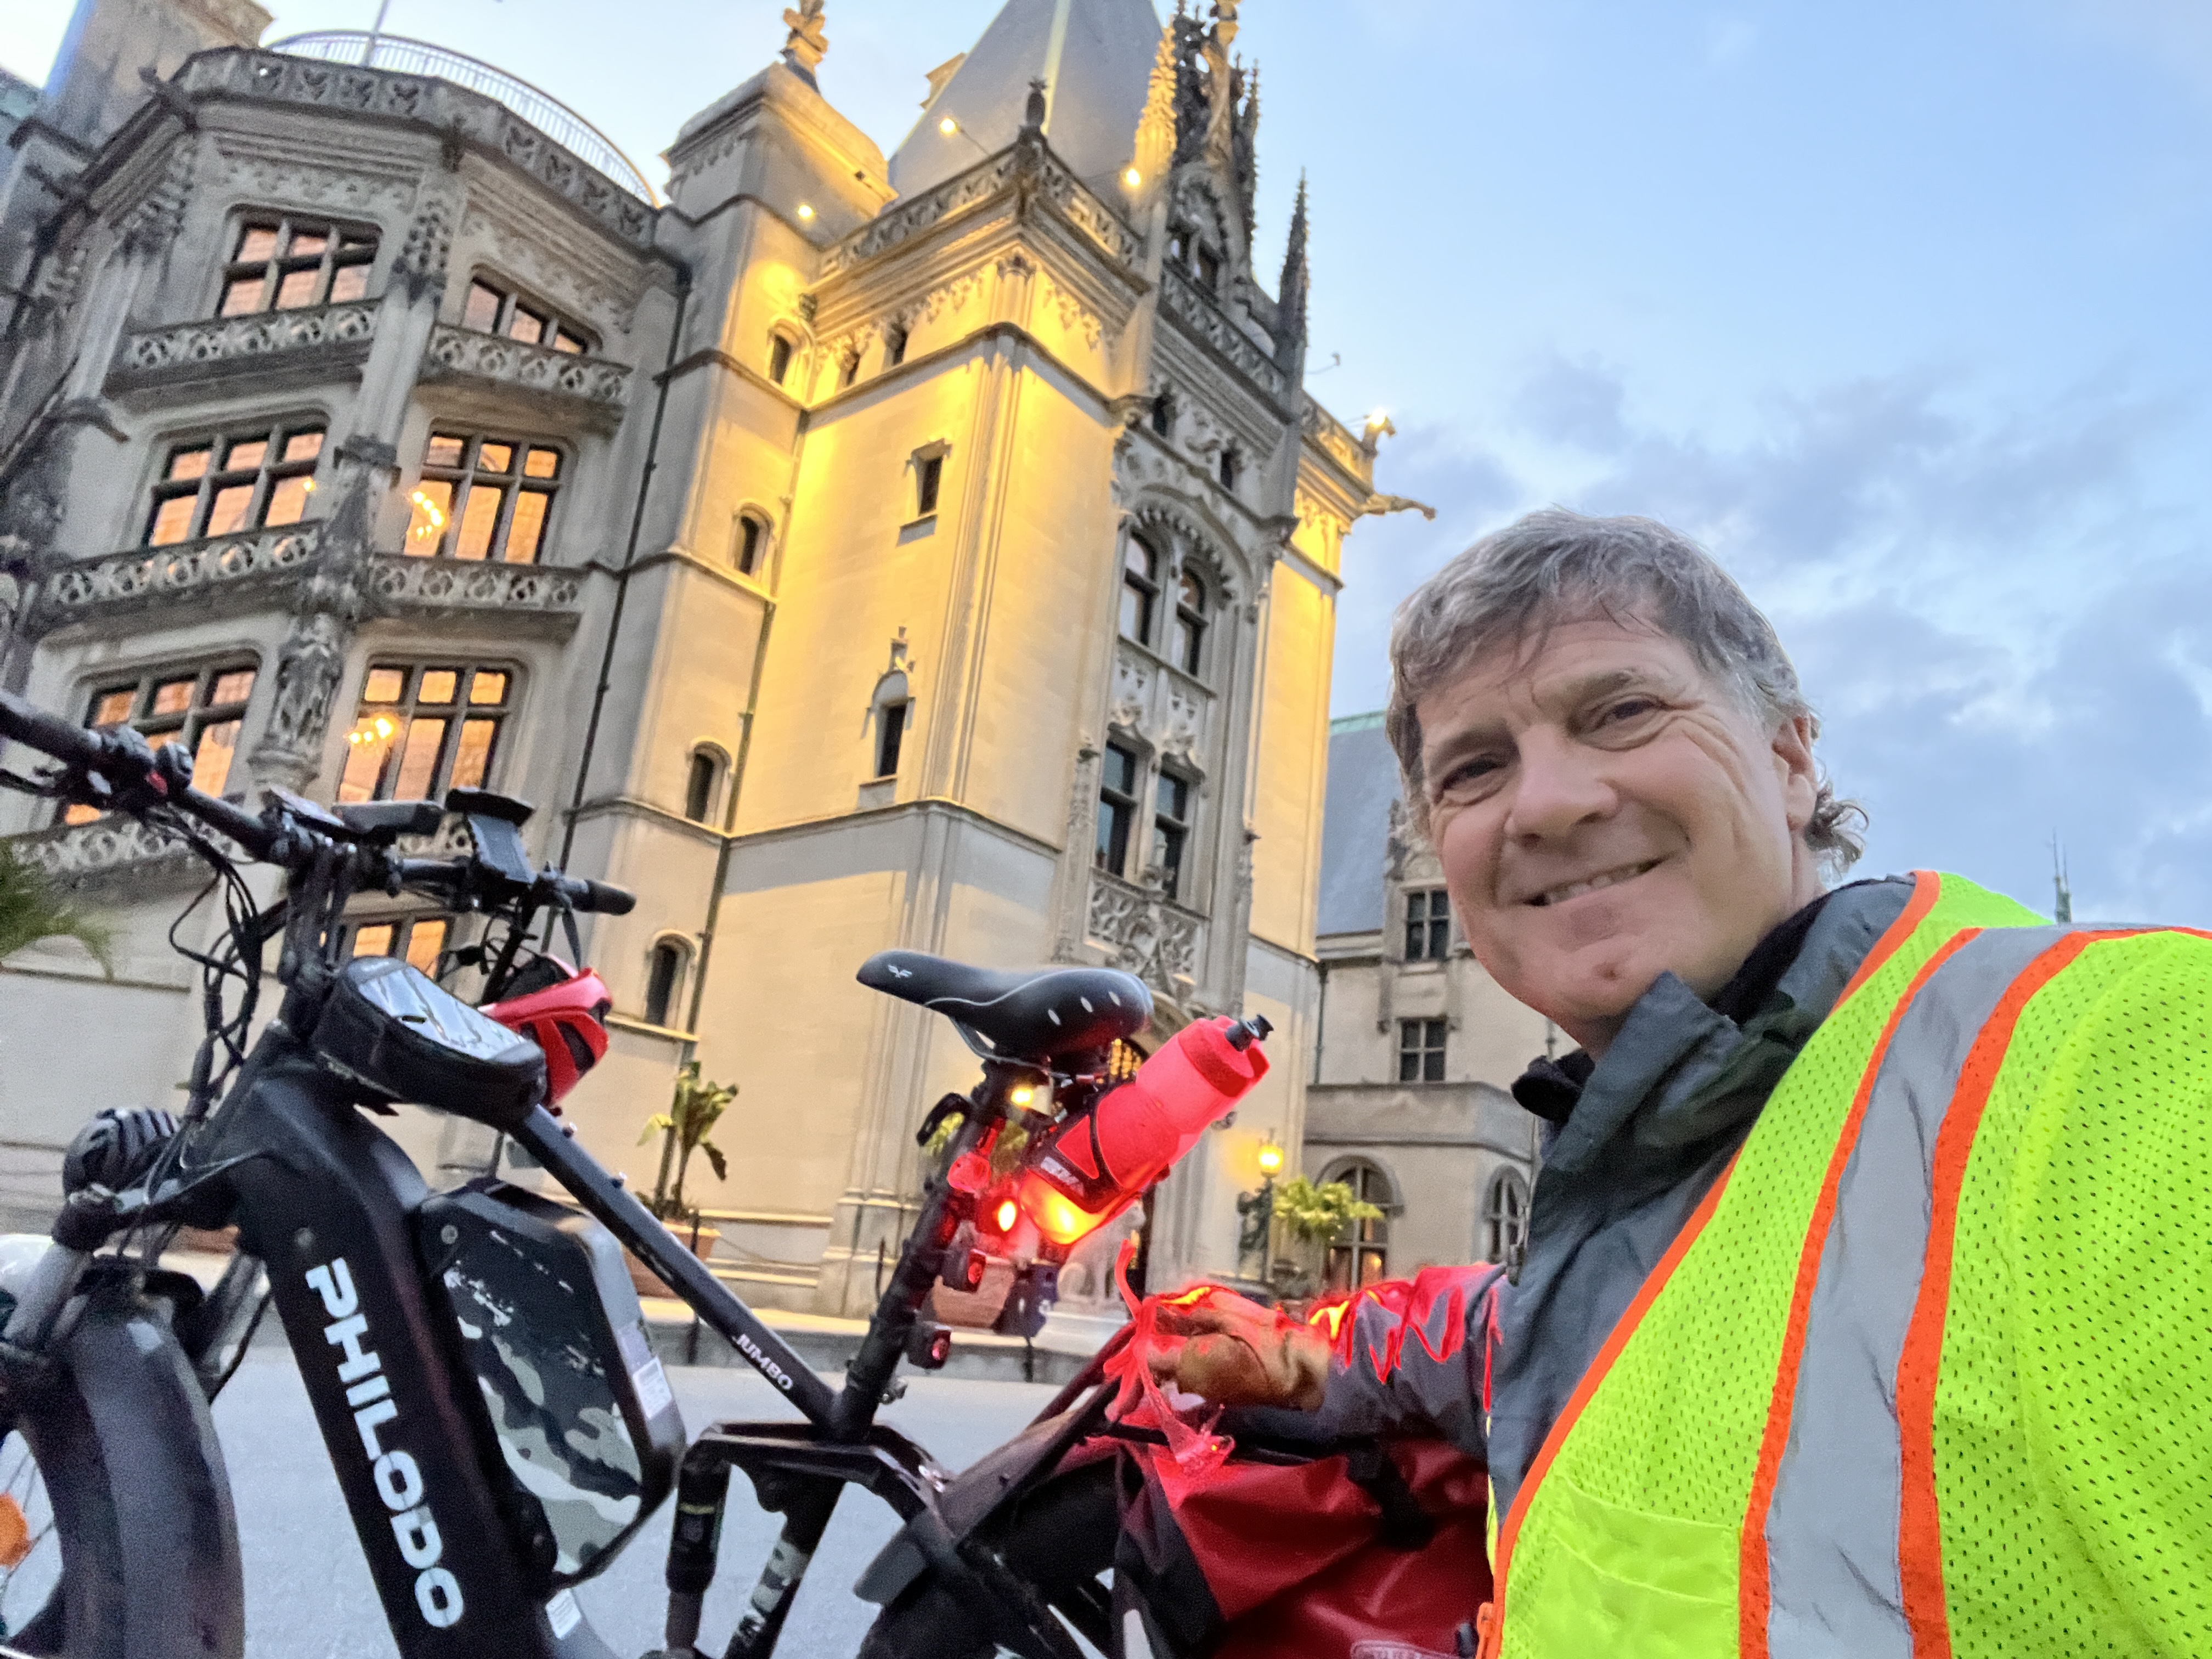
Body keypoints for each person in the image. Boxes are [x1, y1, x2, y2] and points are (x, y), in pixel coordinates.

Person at [1149, 508, 2212, 1656]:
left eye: (1623, 712)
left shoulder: (2129, 1058)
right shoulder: (1687, 1143)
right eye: (1475, 768)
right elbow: (1576, 1331)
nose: (1549, 803)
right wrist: (1316, 1355)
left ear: (1793, 759)